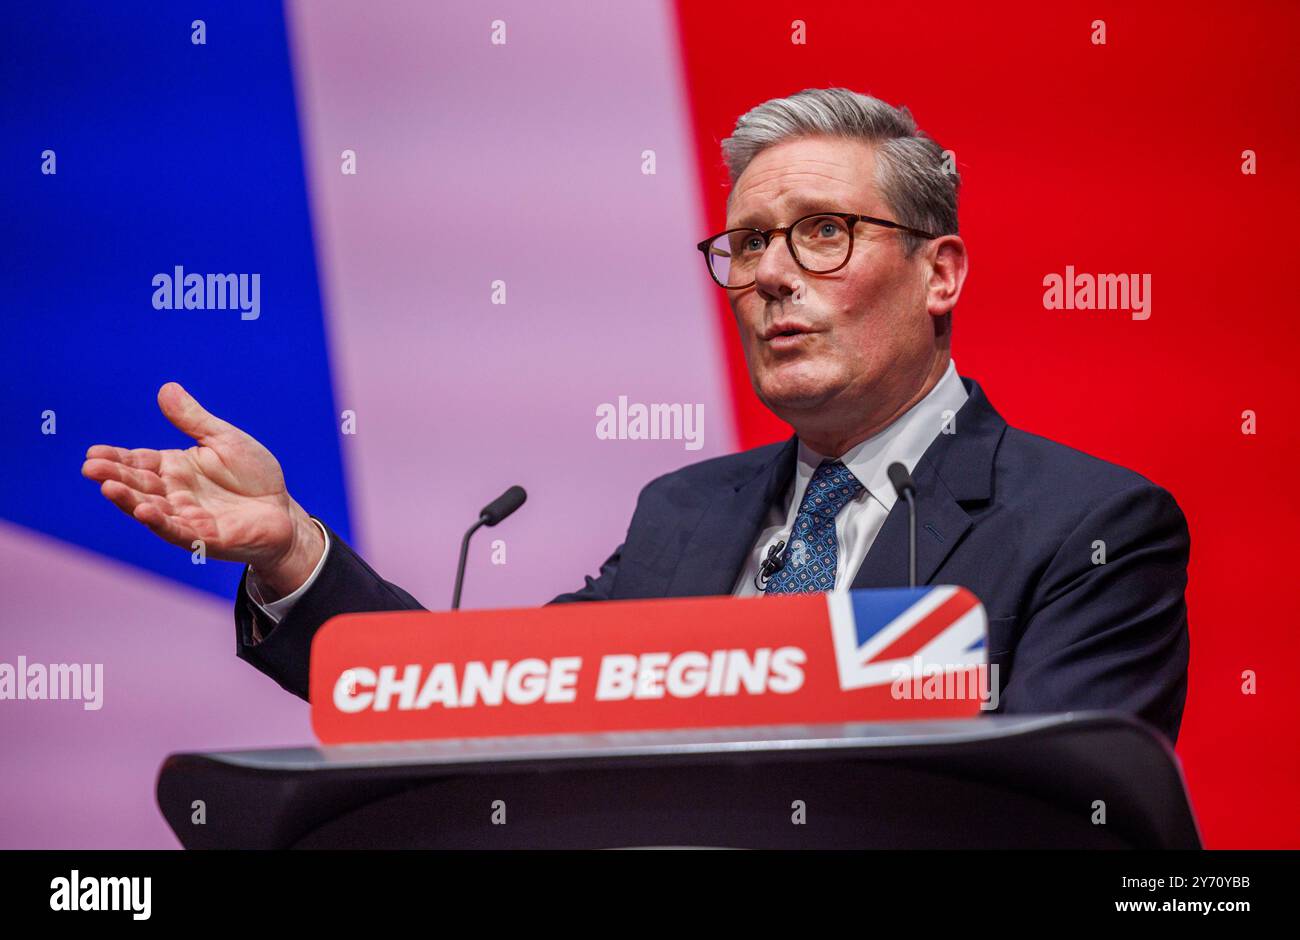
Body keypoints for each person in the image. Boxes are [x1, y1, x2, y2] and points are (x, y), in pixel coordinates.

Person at [81, 88, 1190, 742]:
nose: (769, 275)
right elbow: (480, 700)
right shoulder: (684, 515)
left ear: (939, 271)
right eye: (748, 242)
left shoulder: (1089, 524)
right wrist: (290, 551)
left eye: (821, 233)